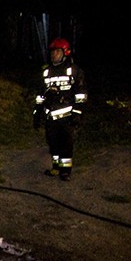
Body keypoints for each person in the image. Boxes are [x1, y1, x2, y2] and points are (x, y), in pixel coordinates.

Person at [33, 38, 88, 181]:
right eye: (52, 52)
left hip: (67, 115)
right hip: (50, 115)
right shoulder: (46, 72)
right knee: (53, 143)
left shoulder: (74, 71)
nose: (54, 54)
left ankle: (66, 171)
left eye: (57, 51)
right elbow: (40, 94)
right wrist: (37, 112)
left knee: (66, 144)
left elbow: (81, 94)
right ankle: (56, 168)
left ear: (65, 53)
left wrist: (77, 113)